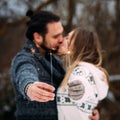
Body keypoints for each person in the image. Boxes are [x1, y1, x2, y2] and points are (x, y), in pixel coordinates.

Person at [10, 10, 99, 120]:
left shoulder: (56, 61)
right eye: (55, 36)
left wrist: (86, 110)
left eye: (62, 33)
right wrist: (29, 87)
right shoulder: (25, 58)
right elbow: (24, 71)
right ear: (38, 37)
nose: (61, 39)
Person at [57, 28, 109, 120]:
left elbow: (83, 83)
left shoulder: (82, 71)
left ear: (79, 45)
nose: (63, 39)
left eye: (68, 38)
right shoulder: (86, 70)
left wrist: (80, 88)